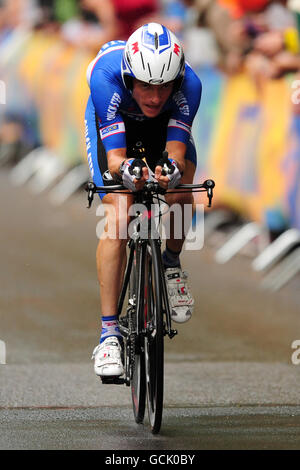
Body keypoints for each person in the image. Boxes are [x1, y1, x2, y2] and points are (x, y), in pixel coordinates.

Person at [85, 23, 202, 378]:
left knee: (181, 189)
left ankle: (171, 264)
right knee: (119, 216)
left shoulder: (190, 86)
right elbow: (117, 158)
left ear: (176, 80)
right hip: (116, 122)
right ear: (129, 76)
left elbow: (177, 154)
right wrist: (128, 170)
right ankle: (109, 335)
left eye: (164, 87)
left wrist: (172, 170)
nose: (154, 97)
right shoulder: (105, 76)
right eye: (147, 87)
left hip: (160, 129)